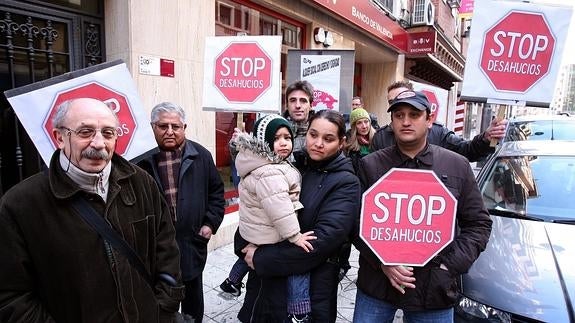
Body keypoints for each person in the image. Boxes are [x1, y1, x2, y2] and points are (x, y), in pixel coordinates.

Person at [0, 98, 184, 322]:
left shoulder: (141, 182)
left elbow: (167, 250)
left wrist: (163, 310)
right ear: (60, 137)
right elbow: (12, 298)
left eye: (108, 133)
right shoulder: (20, 205)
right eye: (85, 132)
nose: (98, 143)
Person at [353, 91, 493, 322]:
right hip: (378, 286)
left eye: (414, 114)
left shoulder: (456, 165)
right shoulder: (370, 165)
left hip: (433, 290)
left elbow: (478, 224)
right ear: (392, 121)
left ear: (429, 120)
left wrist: (449, 266)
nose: (406, 121)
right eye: (399, 115)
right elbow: (354, 223)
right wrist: (381, 262)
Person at [235, 109, 361, 323]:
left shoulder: (346, 183)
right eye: (313, 135)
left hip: (311, 285)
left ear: (341, 143)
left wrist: (259, 257)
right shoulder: (289, 165)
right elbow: (256, 211)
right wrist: (243, 244)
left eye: (328, 139)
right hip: (265, 283)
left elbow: (320, 243)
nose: (318, 143)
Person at [220, 114, 316, 322]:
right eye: (276, 138)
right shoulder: (270, 171)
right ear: (264, 142)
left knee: (249, 253)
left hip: (257, 230)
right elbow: (279, 208)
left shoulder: (263, 162)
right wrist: (295, 236)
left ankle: (232, 281)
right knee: (297, 266)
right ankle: (298, 311)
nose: (284, 143)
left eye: (287, 137)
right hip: (272, 230)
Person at [136, 102, 225, 323]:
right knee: (162, 300)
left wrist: (210, 224)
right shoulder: (140, 161)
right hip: (155, 247)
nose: (169, 131)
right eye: (162, 126)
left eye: (175, 126)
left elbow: (216, 192)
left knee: (193, 299)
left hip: (191, 241)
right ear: (152, 127)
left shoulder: (201, 156)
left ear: (184, 127)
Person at [371, 80, 507, 162]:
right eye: (392, 101)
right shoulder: (380, 137)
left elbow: (467, 151)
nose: (406, 122)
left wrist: (485, 139)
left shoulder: (439, 133)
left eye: (414, 114)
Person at [282, 80, 315, 155]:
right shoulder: (276, 130)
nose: (298, 106)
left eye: (303, 101)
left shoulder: (319, 131)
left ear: (311, 105)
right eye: (293, 100)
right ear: (287, 105)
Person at [344, 107, 376, 172]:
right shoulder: (348, 143)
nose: (364, 126)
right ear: (354, 126)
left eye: (366, 122)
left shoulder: (378, 138)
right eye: (359, 123)